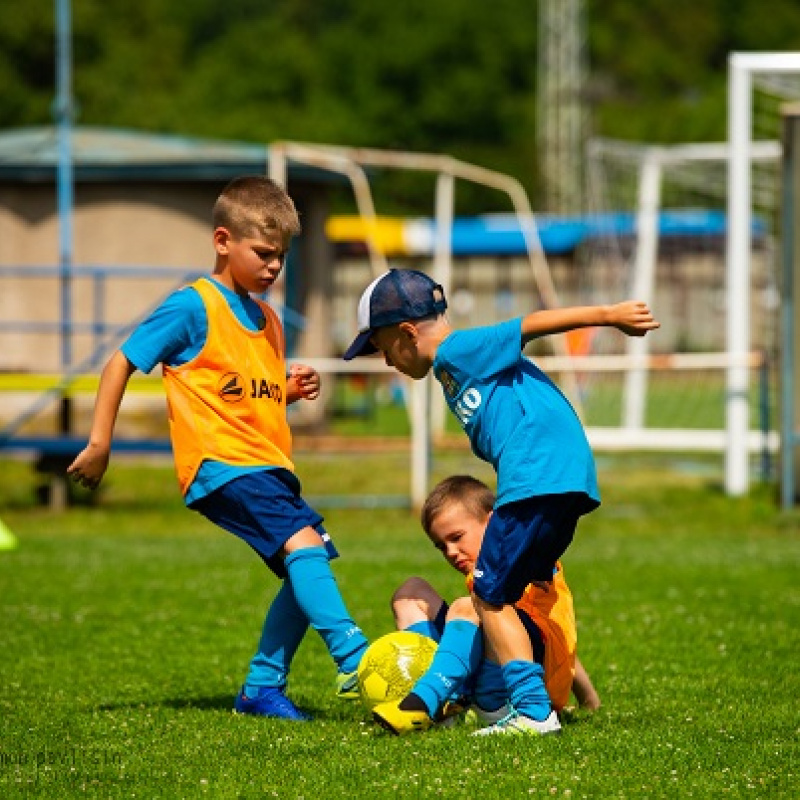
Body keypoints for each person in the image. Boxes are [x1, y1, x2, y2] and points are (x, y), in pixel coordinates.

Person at [68, 175, 368, 721]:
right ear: (223, 241)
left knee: (310, 563)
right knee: (305, 549)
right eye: (264, 253)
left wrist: (286, 392)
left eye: (282, 256)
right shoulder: (192, 306)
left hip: (268, 466)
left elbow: (249, 397)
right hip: (221, 464)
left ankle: (261, 689)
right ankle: (358, 660)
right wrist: (99, 441)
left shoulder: (270, 320)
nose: (274, 266)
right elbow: (121, 362)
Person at [344, 268, 658, 734]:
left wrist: (608, 315)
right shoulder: (455, 371)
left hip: (538, 478)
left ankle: (519, 711)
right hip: (556, 479)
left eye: (383, 348)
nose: (386, 361)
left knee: (486, 596)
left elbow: (528, 325)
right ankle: (476, 699)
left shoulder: (456, 350)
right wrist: (589, 698)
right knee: (501, 595)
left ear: (408, 332)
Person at [373, 475, 600, 736]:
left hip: (517, 694)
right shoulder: (482, 578)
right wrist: (590, 701)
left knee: (467, 607)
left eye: (456, 537)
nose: (450, 551)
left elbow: (558, 635)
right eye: (441, 546)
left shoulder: (528, 563)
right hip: (484, 679)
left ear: (493, 523)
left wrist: (580, 697)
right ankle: (442, 703)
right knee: (411, 592)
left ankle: (424, 701)